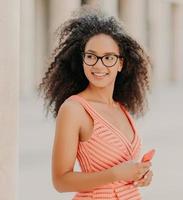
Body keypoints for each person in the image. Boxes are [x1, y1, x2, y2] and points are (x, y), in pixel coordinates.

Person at [39, 7, 153, 200]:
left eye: (108, 58)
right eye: (91, 56)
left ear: (120, 63)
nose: (98, 65)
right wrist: (115, 174)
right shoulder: (74, 109)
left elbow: (124, 169)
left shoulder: (120, 107)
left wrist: (140, 175)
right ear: (82, 59)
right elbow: (60, 181)